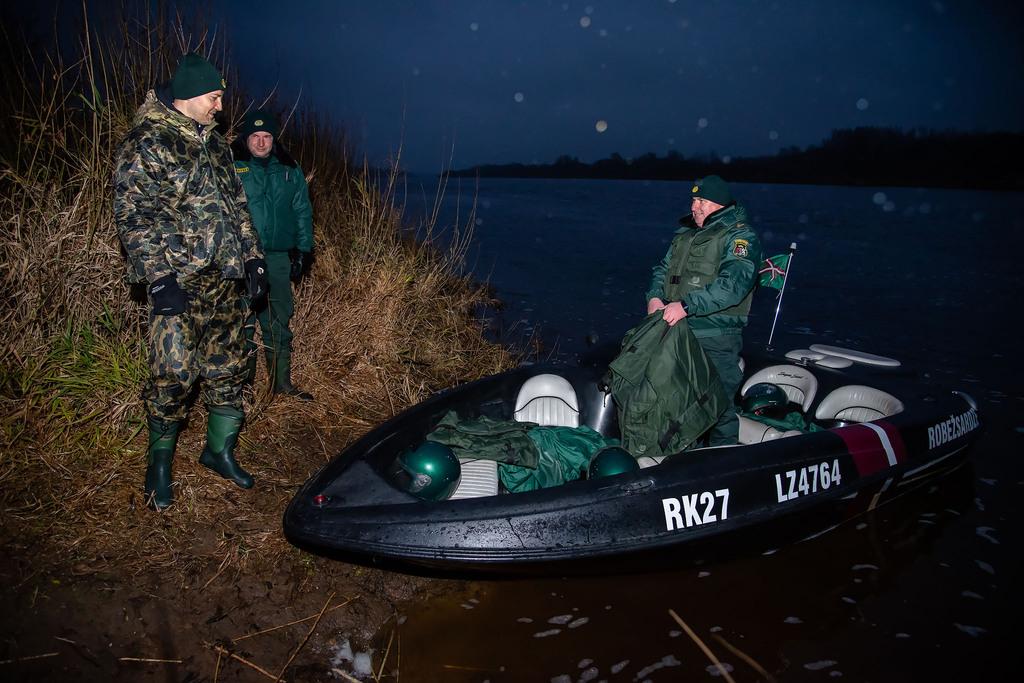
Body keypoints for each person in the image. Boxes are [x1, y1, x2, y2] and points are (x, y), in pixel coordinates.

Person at [113, 53, 268, 510]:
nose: (220, 106)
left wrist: (254, 259)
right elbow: (132, 215)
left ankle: (218, 451)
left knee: (230, 368)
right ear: (189, 93)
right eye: (215, 97)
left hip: (226, 280)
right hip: (179, 283)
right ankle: (159, 464)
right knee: (174, 376)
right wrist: (158, 279)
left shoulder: (218, 145)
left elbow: (237, 208)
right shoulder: (148, 141)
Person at [645, 175, 761, 446]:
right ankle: (682, 467)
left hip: (715, 337)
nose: (694, 206)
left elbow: (733, 285)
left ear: (720, 205)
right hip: (675, 332)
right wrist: (654, 298)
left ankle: (727, 470)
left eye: (702, 201)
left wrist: (686, 306)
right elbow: (662, 270)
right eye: (693, 199)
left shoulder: (740, 236)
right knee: (677, 406)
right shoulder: (686, 235)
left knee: (718, 408)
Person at [231, 109, 315, 400]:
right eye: (256, 136)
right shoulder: (233, 166)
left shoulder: (289, 170)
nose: (262, 142)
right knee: (243, 323)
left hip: (279, 258)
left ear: (273, 139)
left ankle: (282, 384)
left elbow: (303, 210)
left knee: (279, 320)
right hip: (241, 258)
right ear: (246, 138)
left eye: (267, 136)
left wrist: (304, 250)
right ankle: (244, 387)